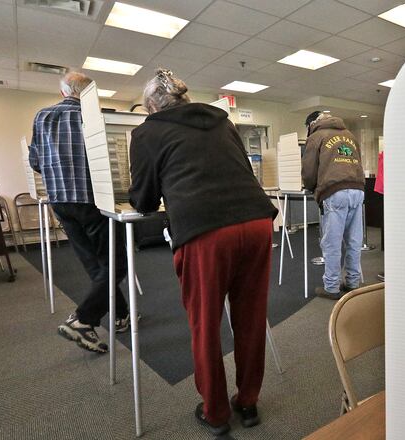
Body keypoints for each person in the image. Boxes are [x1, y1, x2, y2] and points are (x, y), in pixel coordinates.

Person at [128, 69, 277, 436]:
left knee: (205, 324)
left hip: (205, 231)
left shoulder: (147, 132)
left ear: (151, 106)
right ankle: (248, 401)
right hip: (256, 222)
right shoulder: (223, 123)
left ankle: (215, 412)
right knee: (250, 317)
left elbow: (144, 200)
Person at [29, 71, 130, 354]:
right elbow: (106, 166)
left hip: (61, 202)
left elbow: (35, 162)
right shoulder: (93, 117)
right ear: (88, 93)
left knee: (96, 266)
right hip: (92, 201)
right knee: (116, 264)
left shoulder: (42, 116)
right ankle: (83, 320)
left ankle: (120, 315)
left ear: (63, 92)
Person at [302, 111, 366, 300]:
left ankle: (331, 287)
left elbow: (309, 171)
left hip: (335, 191)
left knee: (332, 243)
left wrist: (311, 187)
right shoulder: (350, 135)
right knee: (354, 241)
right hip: (357, 189)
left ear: (311, 124)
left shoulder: (316, 136)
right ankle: (353, 282)